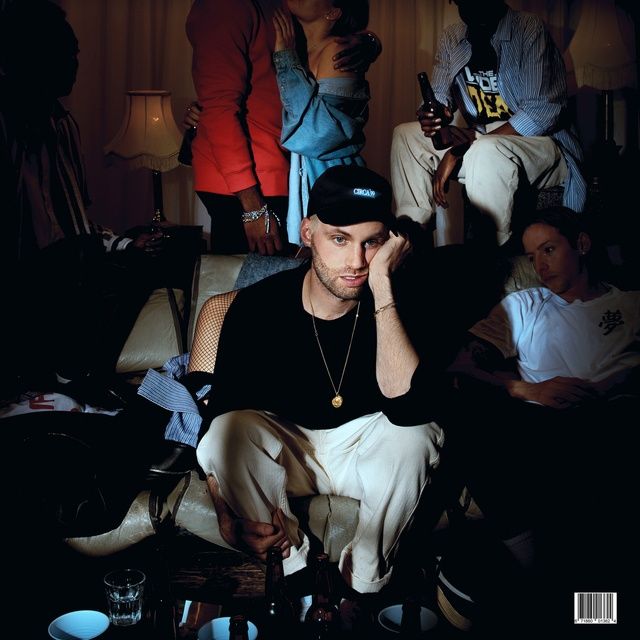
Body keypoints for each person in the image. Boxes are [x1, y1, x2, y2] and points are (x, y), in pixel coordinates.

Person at [194, 165, 445, 612]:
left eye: (372, 242)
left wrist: (383, 288)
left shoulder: (400, 301)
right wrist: (225, 515)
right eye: (340, 239)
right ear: (308, 233)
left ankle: (363, 585)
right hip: (287, 450)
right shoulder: (256, 307)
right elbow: (217, 424)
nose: (357, 262)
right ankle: (296, 578)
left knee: (419, 434)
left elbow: (411, 411)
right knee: (226, 431)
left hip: (364, 451)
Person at [447, 206, 638, 631]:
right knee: (475, 422)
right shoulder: (524, 304)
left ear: (581, 245)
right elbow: (461, 366)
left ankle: (591, 615)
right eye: (532, 256)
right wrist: (527, 389)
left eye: (548, 249)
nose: (540, 265)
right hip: (539, 423)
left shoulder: (631, 304)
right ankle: (550, 586)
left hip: (616, 417)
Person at [0, 0, 164, 405]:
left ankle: (81, 377)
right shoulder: (9, 126)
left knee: (143, 265)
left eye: (76, 54)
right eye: (65, 54)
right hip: (22, 277)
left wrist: (124, 244)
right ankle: (58, 376)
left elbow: (75, 222)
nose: (75, 64)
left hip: (67, 265)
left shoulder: (63, 126)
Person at [185, 0, 381, 256]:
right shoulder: (227, 6)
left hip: (285, 175)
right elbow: (219, 107)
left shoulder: (281, 9)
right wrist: (252, 207)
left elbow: (333, 24)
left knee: (287, 275)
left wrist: (369, 41)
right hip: (249, 184)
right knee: (248, 277)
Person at [390, 0, 587, 249]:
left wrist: (462, 146)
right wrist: (434, 115)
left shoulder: (528, 28)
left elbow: (541, 113)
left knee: (486, 149)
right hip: (483, 138)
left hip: (539, 142)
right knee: (406, 135)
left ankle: (491, 252)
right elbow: (439, 95)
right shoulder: (453, 36)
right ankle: (411, 237)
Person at [272, 0, 371, 246]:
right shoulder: (297, 46)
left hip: (332, 178)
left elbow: (317, 134)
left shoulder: (338, 50)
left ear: (333, 12)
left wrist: (286, 59)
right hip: (297, 175)